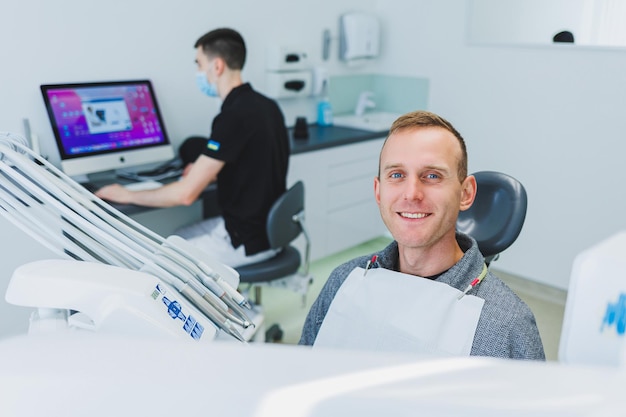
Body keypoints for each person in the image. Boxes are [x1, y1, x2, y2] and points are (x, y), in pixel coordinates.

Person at [299, 110, 545, 360]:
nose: (411, 194)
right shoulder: (344, 281)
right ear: (378, 191)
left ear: (466, 193)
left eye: (432, 176)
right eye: (396, 175)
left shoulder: (507, 326)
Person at [96, 28, 290, 267]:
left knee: (163, 262)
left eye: (199, 64)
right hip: (270, 230)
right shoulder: (266, 105)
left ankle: (229, 304)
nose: (198, 72)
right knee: (177, 237)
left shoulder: (233, 116)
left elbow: (185, 195)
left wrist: (126, 194)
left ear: (217, 67)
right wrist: (209, 174)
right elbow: (254, 166)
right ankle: (224, 302)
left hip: (246, 241)